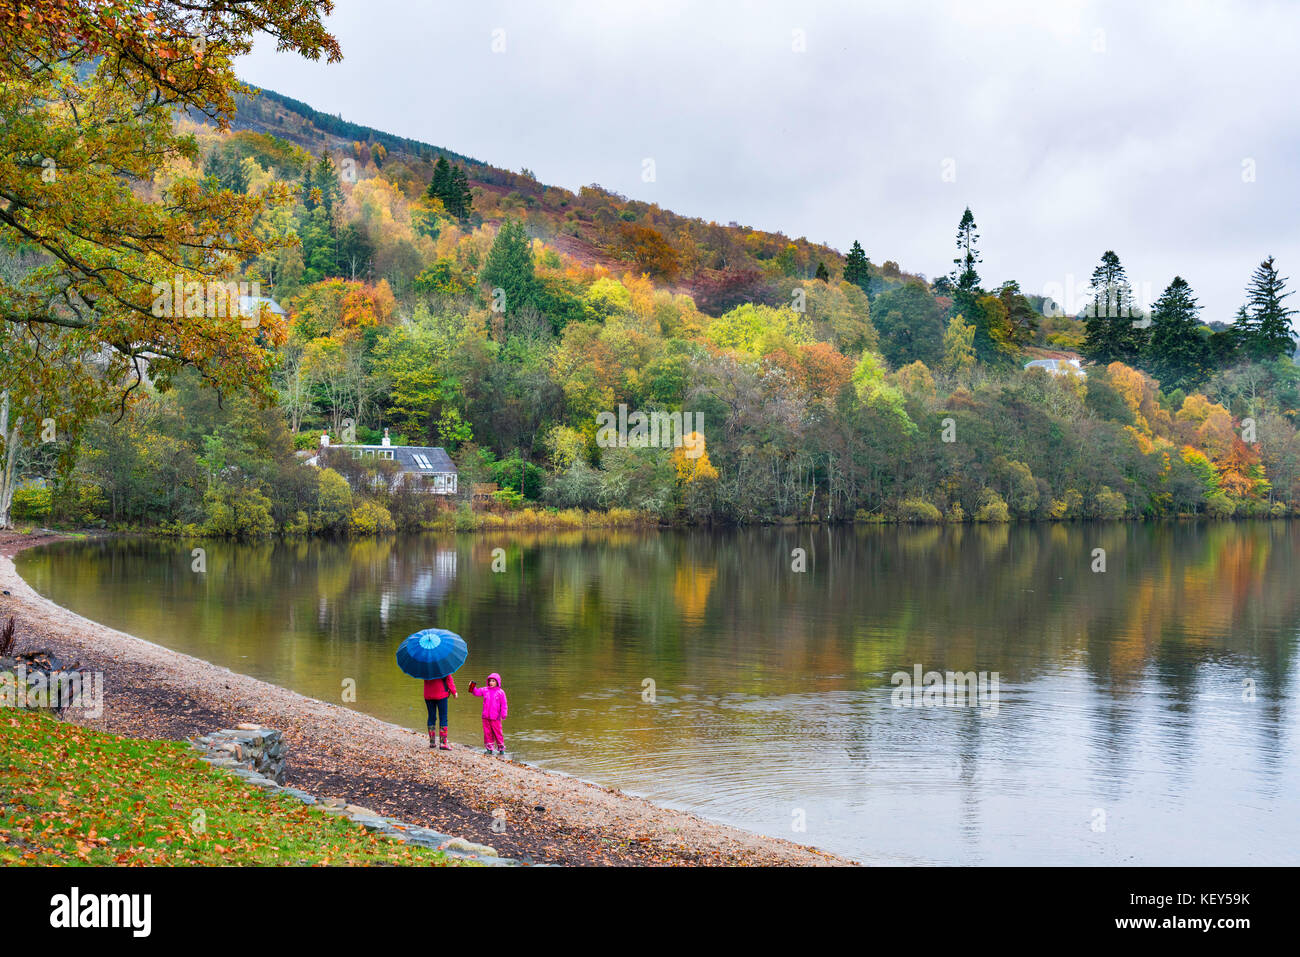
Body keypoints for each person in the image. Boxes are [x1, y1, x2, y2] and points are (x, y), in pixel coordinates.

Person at [468, 673, 508, 756]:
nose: (491, 682)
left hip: (496, 717)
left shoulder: (500, 692)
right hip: (485, 717)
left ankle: (501, 749)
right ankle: (489, 749)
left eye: (493, 681)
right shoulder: (485, 690)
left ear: (497, 682)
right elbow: (476, 692)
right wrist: (472, 686)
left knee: (498, 733)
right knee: (487, 733)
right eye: (490, 681)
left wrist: (503, 714)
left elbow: (504, 704)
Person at [424, 673, 458, 750]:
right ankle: (443, 743)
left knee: (431, 717)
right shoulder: (442, 665)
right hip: (441, 694)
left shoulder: (425, 666)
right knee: (443, 718)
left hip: (428, 694)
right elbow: (449, 679)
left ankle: (432, 742)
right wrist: (454, 692)